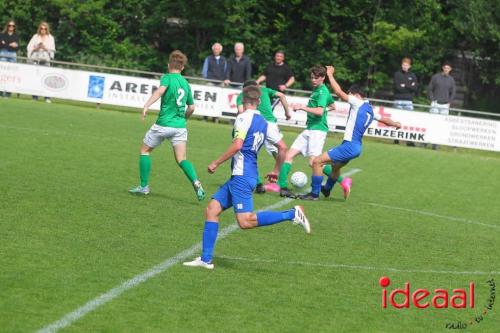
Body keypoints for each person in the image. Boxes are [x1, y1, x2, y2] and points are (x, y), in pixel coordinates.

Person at [183, 85, 310, 270]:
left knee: (245, 221)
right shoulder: (264, 122)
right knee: (212, 209)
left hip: (242, 175)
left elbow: (237, 146)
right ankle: (206, 259)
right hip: (243, 175)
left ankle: (291, 214)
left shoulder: (242, 118)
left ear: (243, 100)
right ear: (258, 101)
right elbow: (283, 147)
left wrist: (216, 163)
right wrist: (275, 170)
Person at [298, 66, 401, 201]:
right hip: (356, 147)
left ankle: (314, 194)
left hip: (349, 145)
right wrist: (396, 124)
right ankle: (327, 189)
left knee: (317, 162)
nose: (349, 96)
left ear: (356, 95)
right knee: (335, 167)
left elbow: (339, 92)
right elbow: (385, 120)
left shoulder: (357, 103)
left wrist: (330, 75)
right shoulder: (370, 109)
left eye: (350, 94)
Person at [129, 50, 205, 201]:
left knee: (145, 151)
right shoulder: (185, 83)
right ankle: (196, 182)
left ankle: (144, 187)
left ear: (169, 64)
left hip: (163, 124)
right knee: (182, 159)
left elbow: (160, 91)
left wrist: (146, 106)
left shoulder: (167, 78)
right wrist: (184, 120)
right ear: (182, 67)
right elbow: (191, 107)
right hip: (180, 127)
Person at [277, 65, 350, 199]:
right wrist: (321, 111)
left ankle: (343, 181)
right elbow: (333, 106)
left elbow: (320, 111)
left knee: (314, 163)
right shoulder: (317, 90)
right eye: (312, 77)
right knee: (288, 155)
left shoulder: (322, 91)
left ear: (322, 78)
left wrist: (303, 108)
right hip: (309, 129)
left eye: (316, 78)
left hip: (317, 131)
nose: (313, 80)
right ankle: (283, 188)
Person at [236, 80, 291, 193]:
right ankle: (284, 187)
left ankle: (259, 184)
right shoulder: (265, 90)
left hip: (255, 123)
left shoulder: (242, 95)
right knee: (280, 154)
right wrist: (287, 112)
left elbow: (241, 111)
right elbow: (281, 95)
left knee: (249, 154)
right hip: (271, 124)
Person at [427, 61, 456, 149]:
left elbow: (453, 92)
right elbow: (430, 89)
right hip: (435, 104)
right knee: (432, 124)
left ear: (450, 69)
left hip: (445, 106)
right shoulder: (436, 77)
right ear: (443, 68)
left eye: (448, 68)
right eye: (445, 68)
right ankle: (427, 141)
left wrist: (449, 102)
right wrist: (432, 99)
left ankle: (436, 144)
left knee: (441, 125)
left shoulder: (451, 80)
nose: (446, 69)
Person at [27, 21, 56, 103]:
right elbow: (29, 47)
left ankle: (47, 97)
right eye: (41, 28)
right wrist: (36, 48)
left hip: (45, 60)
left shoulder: (51, 38)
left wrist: (45, 48)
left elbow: (53, 50)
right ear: (39, 29)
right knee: (35, 79)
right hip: (36, 59)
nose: (43, 30)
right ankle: (35, 97)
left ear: (47, 30)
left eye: (45, 29)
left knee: (47, 79)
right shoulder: (35, 37)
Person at [393, 57, 418, 146]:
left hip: (408, 101)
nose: (405, 66)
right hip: (398, 100)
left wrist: (405, 85)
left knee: (409, 120)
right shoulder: (397, 74)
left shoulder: (413, 75)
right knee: (397, 120)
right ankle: (396, 139)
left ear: (409, 66)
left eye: (406, 65)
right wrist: (409, 86)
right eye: (403, 65)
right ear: (401, 65)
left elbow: (415, 88)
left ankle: (408, 140)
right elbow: (398, 88)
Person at [0, 20, 19, 98]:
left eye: (13, 26)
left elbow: (17, 47)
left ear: (14, 27)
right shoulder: (2, 34)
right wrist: (11, 44)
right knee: (2, 73)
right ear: (7, 26)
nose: (11, 27)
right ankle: (1, 92)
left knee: (11, 74)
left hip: (13, 54)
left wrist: (6, 44)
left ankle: (8, 93)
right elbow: (1, 45)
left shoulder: (16, 35)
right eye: (10, 25)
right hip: (3, 53)